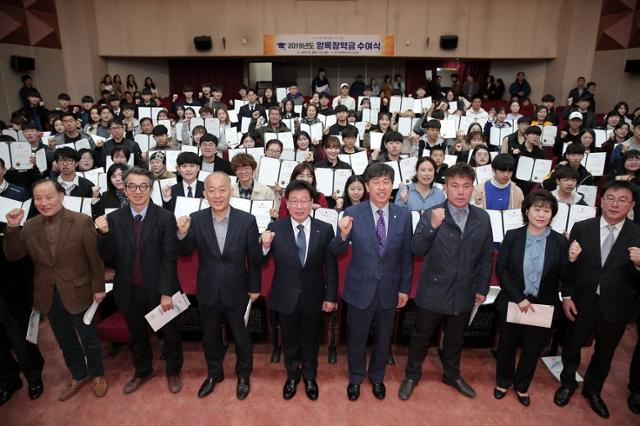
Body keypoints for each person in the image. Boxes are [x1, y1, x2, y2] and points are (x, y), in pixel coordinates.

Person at [3, 179, 108, 401]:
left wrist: (98, 288)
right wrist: (12, 227)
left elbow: (95, 260)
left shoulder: (81, 221)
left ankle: (97, 374)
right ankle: (79, 373)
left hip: (79, 290)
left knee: (88, 337)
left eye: (49, 197)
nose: (44, 202)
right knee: (65, 339)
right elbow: (13, 255)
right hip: (47, 293)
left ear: (60, 196)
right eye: (38, 198)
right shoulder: (29, 226)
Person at [399, 163, 493, 400]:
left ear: (473, 189)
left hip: (464, 292)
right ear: (445, 188)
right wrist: (431, 226)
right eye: (454, 186)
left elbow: (485, 256)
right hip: (433, 291)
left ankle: (452, 374)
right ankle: (412, 374)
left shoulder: (482, 218)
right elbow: (416, 248)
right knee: (421, 338)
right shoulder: (432, 213)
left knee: (455, 340)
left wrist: (482, 288)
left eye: (466, 186)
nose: (460, 192)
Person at [554, 180, 640, 418]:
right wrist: (567, 295)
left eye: (623, 200)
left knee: (605, 352)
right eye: (610, 198)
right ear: (601, 200)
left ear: (631, 205)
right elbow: (569, 268)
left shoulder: (637, 233)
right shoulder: (582, 227)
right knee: (572, 346)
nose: (615, 204)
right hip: (582, 301)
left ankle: (593, 390)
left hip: (617, 306)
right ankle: (567, 383)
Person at [95, 166, 183, 395]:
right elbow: (108, 257)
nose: (137, 191)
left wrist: (166, 292)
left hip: (160, 289)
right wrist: (103, 234)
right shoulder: (113, 219)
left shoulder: (165, 217)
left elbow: (169, 258)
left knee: (171, 334)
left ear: (151, 189)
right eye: (132, 186)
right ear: (124, 189)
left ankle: (173, 371)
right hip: (128, 289)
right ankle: (143, 370)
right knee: (136, 335)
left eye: (143, 186)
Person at [330, 163, 412, 401]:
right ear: (367, 186)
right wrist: (343, 235)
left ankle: (377, 378)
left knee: (384, 338)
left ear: (393, 186)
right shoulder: (353, 213)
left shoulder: (403, 215)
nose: (381, 187)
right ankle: (355, 378)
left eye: (386, 182)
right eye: (376, 182)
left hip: (389, 287)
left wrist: (404, 288)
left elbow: (406, 255)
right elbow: (336, 250)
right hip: (359, 288)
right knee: (357, 338)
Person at [176, 172, 261, 399]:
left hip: (238, 289)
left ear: (230, 191)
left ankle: (243, 374)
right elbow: (185, 252)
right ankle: (215, 373)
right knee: (210, 336)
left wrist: (254, 288)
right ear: (204, 194)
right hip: (208, 289)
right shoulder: (196, 218)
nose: (217, 195)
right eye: (211, 190)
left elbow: (254, 259)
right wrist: (182, 234)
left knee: (241, 336)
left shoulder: (247, 220)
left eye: (222, 189)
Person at [259, 180, 338, 400]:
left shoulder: (325, 229)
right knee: (290, 339)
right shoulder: (275, 228)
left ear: (312, 203)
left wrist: (331, 296)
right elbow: (259, 259)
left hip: (314, 296)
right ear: (287, 203)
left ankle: (310, 376)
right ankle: (292, 375)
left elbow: (331, 268)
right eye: (294, 201)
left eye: (304, 201)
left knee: (311, 340)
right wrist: (264, 246)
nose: (299, 206)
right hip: (285, 296)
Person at [494, 190, 571, 406]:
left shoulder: (560, 242)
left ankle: (522, 386)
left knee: (532, 348)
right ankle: (503, 381)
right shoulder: (512, 236)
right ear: (526, 211)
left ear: (552, 214)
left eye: (547, 210)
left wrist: (571, 259)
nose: (541, 214)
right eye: (537, 209)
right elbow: (502, 270)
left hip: (543, 305)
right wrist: (519, 298)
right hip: (513, 300)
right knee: (507, 345)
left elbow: (565, 276)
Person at [0, 162, 43, 406]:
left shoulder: (19, 194)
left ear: (3, 169)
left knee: (19, 327)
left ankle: (33, 375)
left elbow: (30, 234)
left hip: (13, 272)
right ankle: (7, 378)